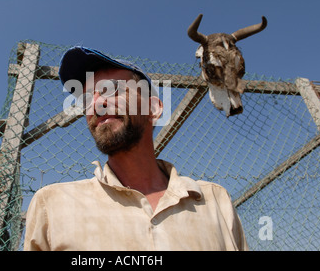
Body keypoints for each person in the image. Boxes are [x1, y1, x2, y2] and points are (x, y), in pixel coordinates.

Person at [23, 46, 248, 251]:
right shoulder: (52, 206)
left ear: (154, 108)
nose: (96, 104)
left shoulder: (216, 202)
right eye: (88, 97)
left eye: (111, 90)